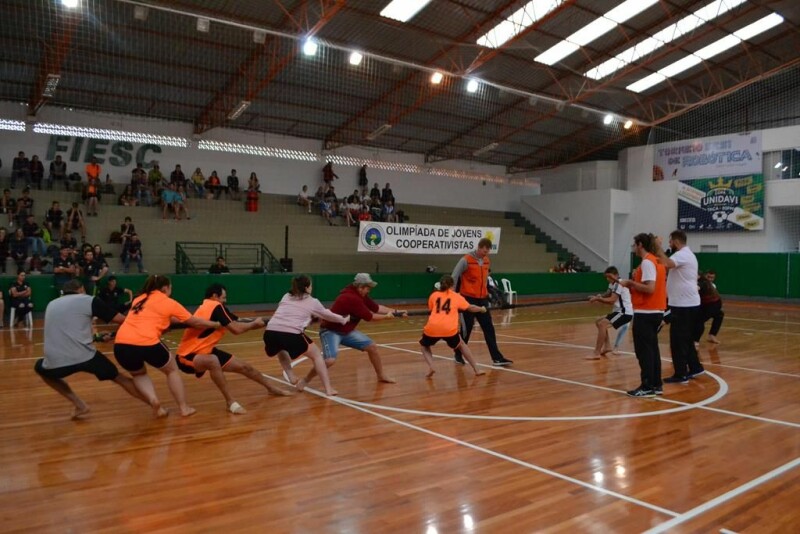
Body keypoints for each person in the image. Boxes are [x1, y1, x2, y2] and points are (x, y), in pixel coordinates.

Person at [33, 279, 149, 419]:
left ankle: (79, 405)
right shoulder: (88, 300)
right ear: (81, 289)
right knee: (120, 378)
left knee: (41, 369)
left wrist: (98, 338)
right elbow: (123, 320)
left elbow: (69, 333)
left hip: (56, 361)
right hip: (87, 357)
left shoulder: (51, 304)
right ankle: (155, 404)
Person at [113, 275, 221, 417]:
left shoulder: (139, 299)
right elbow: (194, 322)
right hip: (147, 343)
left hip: (121, 344)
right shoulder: (169, 302)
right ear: (165, 288)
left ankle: (154, 401)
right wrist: (215, 324)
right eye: (171, 287)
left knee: (139, 374)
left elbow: (159, 317)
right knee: (171, 370)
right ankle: (184, 408)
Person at [177, 283, 291, 414]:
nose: (225, 300)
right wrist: (254, 324)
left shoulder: (213, 307)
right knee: (213, 360)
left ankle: (271, 388)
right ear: (215, 296)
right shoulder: (215, 306)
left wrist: (260, 323)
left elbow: (238, 324)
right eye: (223, 297)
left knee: (245, 367)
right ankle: (230, 402)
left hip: (206, 351)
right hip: (186, 356)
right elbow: (236, 330)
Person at [264, 275, 348, 396]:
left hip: (270, 331)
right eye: (311, 285)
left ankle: (290, 374)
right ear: (307, 287)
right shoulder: (313, 302)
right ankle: (328, 389)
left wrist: (308, 320)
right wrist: (343, 320)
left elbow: (288, 313)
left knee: (280, 348)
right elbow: (327, 315)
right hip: (291, 333)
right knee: (317, 356)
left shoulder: (286, 296)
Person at [316, 273, 404, 385]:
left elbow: (376, 308)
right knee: (329, 361)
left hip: (346, 331)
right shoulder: (351, 298)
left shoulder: (360, 295)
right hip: (330, 331)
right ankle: (306, 380)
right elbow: (370, 317)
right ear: (360, 287)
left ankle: (381, 376)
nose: (369, 291)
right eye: (368, 288)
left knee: (372, 347)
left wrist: (397, 312)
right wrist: (386, 317)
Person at [450, 238, 513, 366]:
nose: (486, 253)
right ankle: (458, 354)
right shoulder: (465, 260)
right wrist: (452, 295)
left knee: (489, 328)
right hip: (467, 300)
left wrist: (491, 296)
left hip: (482, 300)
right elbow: (454, 276)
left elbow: (484, 282)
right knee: (466, 330)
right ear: (479, 247)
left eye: (487, 251)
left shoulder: (486, 261)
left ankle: (497, 358)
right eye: (484, 251)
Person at [619, 233, 667, 398]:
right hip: (655, 311)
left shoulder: (647, 262)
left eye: (634, 244)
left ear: (640, 244)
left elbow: (649, 288)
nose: (633, 247)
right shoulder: (657, 262)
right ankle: (656, 384)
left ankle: (647, 386)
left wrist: (630, 283)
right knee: (652, 350)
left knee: (644, 351)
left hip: (646, 312)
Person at [654, 230, 704, 383]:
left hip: (684, 305)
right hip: (687, 303)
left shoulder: (682, 254)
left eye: (670, 242)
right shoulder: (687, 254)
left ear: (675, 242)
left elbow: (666, 263)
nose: (669, 245)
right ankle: (695, 367)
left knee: (677, 340)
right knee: (686, 339)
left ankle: (681, 374)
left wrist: (657, 247)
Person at [420, 275, 486, 378]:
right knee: (462, 346)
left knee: (424, 346)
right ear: (452, 285)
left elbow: (432, 309)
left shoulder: (433, 295)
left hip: (433, 327)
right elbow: (471, 308)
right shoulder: (456, 296)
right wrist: (482, 309)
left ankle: (431, 366)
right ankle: (476, 369)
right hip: (449, 329)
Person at [587, 266, 633, 359]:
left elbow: (612, 300)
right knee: (598, 321)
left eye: (609, 277)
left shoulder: (619, 284)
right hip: (619, 312)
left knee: (602, 324)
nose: (608, 279)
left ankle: (596, 353)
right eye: (607, 277)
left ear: (615, 275)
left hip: (624, 313)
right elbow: (608, 293)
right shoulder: (613, 284)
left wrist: (599, 299)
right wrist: (599, 296)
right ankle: (607, 346)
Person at [695, 270, 724, 344]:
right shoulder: (702, 282)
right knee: (719, 315)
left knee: (699, 320)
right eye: (709, 277)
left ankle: (695, 341)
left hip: (713, 304)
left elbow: (697, 288)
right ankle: (711, 335)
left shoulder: (703, 283)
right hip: (709, 304)